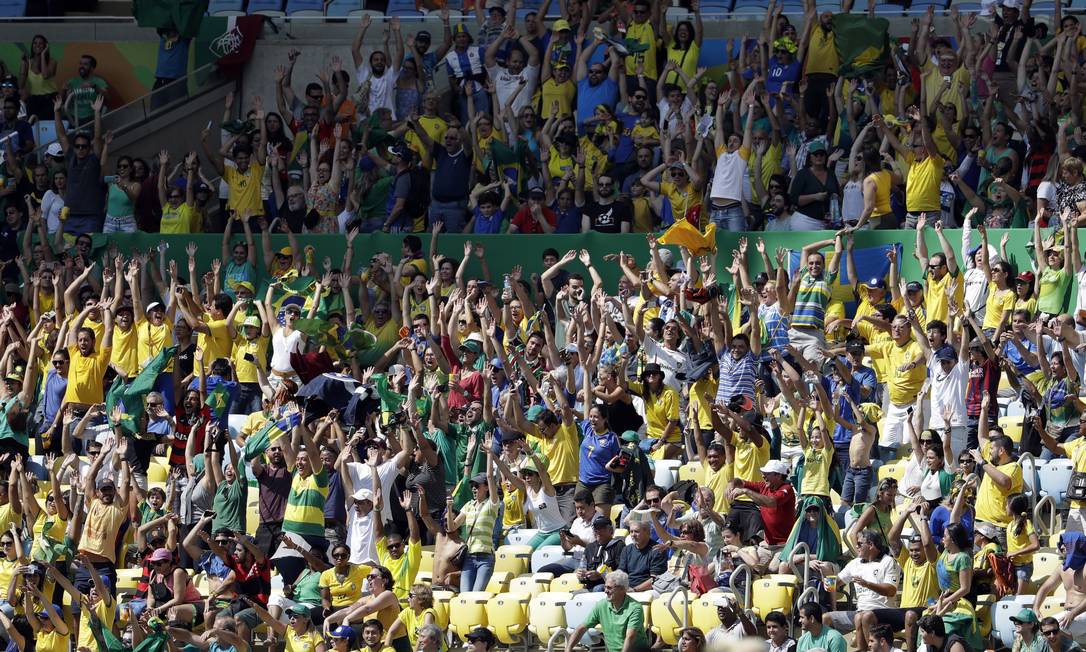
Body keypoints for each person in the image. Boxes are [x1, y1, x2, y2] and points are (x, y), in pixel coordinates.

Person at [564, 570, 649, 652]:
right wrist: (568, 649)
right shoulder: (601, 605)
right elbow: (581, 628)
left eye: (609, 588)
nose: (605, 591)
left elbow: (630, 636)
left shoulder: (635, 608)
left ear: (622, 589)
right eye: (605, 587)